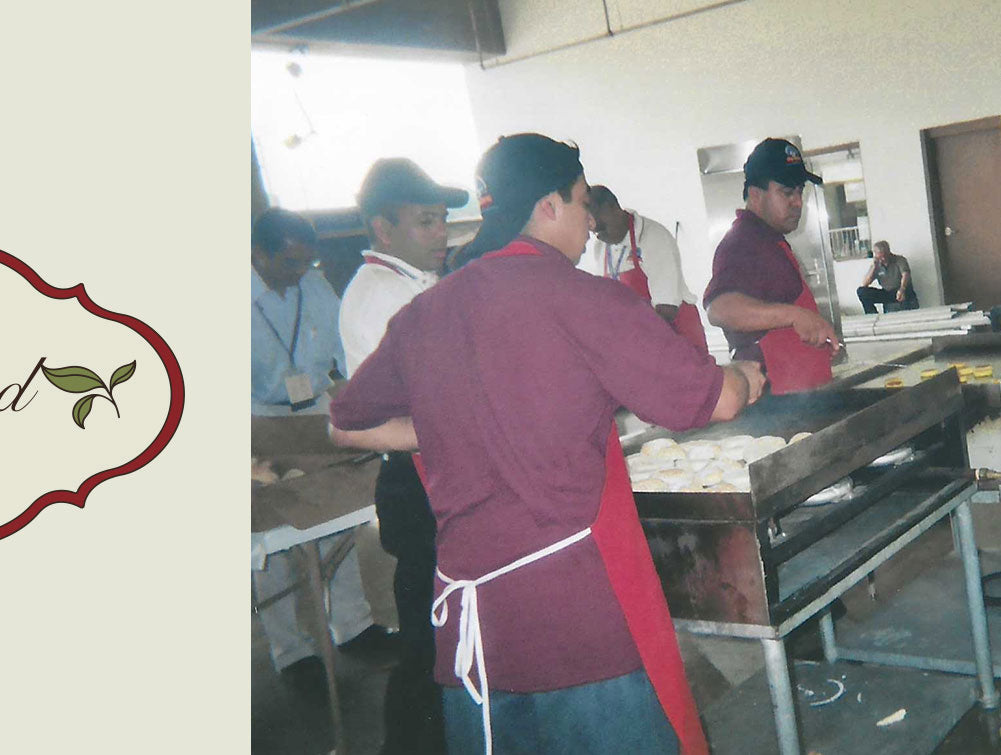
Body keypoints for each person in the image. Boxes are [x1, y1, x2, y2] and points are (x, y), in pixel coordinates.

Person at [329, 133, 767, 755]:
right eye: (582, 202)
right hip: (578, 628)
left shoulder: (426, 312)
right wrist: (744, 377)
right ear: (547, 205)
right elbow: (714, 400)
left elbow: (345, 423)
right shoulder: (581, 297)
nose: (591, 221)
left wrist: (458, 427)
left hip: (474, 640)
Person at [342, 157, 468, 753]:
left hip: (435, 472)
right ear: (382, 229)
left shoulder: (417, 282)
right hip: (418, 479)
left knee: (440, 629)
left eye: (442, 219)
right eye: (425, 221)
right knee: (429, 636)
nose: (440, 232)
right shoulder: (383, 294)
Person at [249, 208, 394, 696]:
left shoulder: (314, 287)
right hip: (258, 421)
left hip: (314, 412)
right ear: (258, 254)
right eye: (289, 262)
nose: (300, 272)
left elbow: (344, 354)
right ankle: (292, 653)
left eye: (306, 262)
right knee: (274, 541)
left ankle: (353, 626)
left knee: (339, 518)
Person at [703, 137, 841, 394]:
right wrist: (795, 315)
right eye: (787, 193)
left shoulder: (770, 241)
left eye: (799, 191)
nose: (797, 202)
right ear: (756, 195)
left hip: (803, 397)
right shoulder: (743, 243)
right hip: (777, 405)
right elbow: (720, 309)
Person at [577, 185, 709, 350]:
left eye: (602, 228)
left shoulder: (652, 236)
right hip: (638, 340)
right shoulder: (601, 247)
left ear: (612, 208)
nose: (600, 237)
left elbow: (666, 309)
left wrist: (632, 342)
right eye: (594, 233)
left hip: (675, 335)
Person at [857, 240, 919, 313]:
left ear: (889, 252)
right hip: (887, 292)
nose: (883, 259)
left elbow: (905, 274)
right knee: (861, 291)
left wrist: (902, 289)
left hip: (901, 290)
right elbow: (865, 284)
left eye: (885, 256)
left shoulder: (899, 260)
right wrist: (874, 267)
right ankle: (872, 314)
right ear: (876, 255)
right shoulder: (876, 265)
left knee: (907, 291)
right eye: (880, 257)